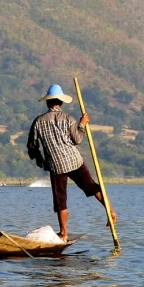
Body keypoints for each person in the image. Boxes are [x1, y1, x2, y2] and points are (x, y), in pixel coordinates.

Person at [27, 84, 116, 242]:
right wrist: (82, 124)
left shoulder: (38, 121)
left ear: (48, 103)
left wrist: (38, 158)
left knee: (60, 199)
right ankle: (110, 210)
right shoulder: (69, 119)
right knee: (91, 186)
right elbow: (78, 139)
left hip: (56, 165)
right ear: (60, 103)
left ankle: (64, 233)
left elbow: (32, 145)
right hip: (74, 160)